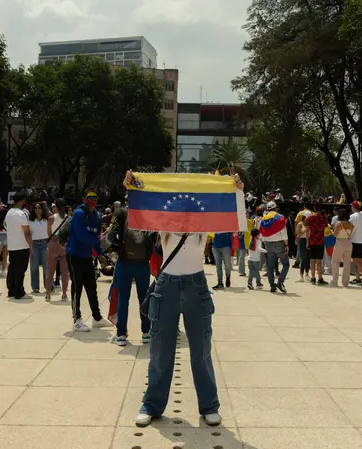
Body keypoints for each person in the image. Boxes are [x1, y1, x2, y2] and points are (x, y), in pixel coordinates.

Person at [130, 170, 244, 429]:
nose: (185, 212)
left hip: (196, 285)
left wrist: (236, 190)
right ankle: (151, 404)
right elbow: (141, 208)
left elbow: (235, 218)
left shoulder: (205, 227)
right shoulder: (163, 225)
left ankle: (209, 406)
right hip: (167, 286)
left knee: (201, 351)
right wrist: (132, 184)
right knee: (160, 351)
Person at [66, 188, 113, 331]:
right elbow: (82, 237)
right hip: (74, 256)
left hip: (87, 256)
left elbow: (96, 239)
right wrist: (96, 239)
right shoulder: (79, 214)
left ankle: (97, 318)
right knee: (77, 288)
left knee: (92, 287)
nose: (92, 201)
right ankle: (77, 319)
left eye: (95, 198)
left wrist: (100, 254)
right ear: (84, 200)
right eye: (89, 198)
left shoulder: (97, 216)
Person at [110, 205, 156, 347]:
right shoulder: (148, 211)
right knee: (144, 298)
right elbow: (154, 236)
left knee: (123, 299)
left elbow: (111, 236)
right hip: (142, 264)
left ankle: (121, 334)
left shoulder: (122, 213)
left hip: (125, 262)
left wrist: (119, 249)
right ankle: (146, 332)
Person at [4, 192, 33, 300]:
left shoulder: (9, 213)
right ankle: (19, 291)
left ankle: (11, 290)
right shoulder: (21, 214)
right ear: (22, 201)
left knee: (12, 268)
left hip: (12, 245)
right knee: (21, 269)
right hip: (22, 245)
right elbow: (27, 232)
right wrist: (31, 246)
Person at [259, 201, 289, 293]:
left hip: (268, 244)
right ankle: (280, 282)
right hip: (279, 243)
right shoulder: (280, 218)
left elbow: (262, 235)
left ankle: (272, 286)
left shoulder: (263, 219)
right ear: (276, 208)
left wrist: (266, 243)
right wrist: (286, 244)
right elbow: (284, 234)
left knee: (270, 266)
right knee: (285, 264)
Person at [45, 198, 70, 302]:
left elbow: (49, 234)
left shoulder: (51, 218)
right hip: (65, 244)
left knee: (50, 270)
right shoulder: (69, 218)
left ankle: (47, 294)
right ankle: (64, 294)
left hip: (54, 243)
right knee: (65, 271)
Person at [305, 204, 329, 285]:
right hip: (320, 241)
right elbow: (325, 228)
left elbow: (307, 230)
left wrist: (307, 242)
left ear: (314, 209)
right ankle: (320, 278)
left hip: (312, 241)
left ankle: (312, 277)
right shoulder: (324, 219)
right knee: (319, 261)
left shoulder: (310, 218)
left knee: (312, 261)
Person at [28, 202, 49, 294]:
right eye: (35, 208)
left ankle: (48, 285)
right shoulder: (30, 221)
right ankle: (35, 287)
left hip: (45, 243)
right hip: (34, 244)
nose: (37, 209)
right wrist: (30, 246)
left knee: (47, 267)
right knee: (34, 267)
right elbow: (28, 234)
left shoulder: (47, 220)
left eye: (39, 208)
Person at [331, 209, 354, 287]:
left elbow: (335, 234)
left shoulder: (338, 223)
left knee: (335, 262)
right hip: (348, 243)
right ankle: (345, 282)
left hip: (340, 242)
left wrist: (331, 232)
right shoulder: (351, 224)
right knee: (347, 264)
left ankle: (335, 281)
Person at [350, 201, 362, 285]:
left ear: (354, 207)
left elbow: (350, 228)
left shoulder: (352, 216)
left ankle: (358, 278)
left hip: (354, 240)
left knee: (355, 260)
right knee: (360, 259)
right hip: (361, 240)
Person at [295, 214, 310, 282]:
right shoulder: (300, 224)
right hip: (302, 240)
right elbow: (298, 235)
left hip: (309, 240)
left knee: (308, 258)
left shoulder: (309, 223)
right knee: (304, 258)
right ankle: (301, 275)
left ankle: (307, 274)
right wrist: (305, 230)